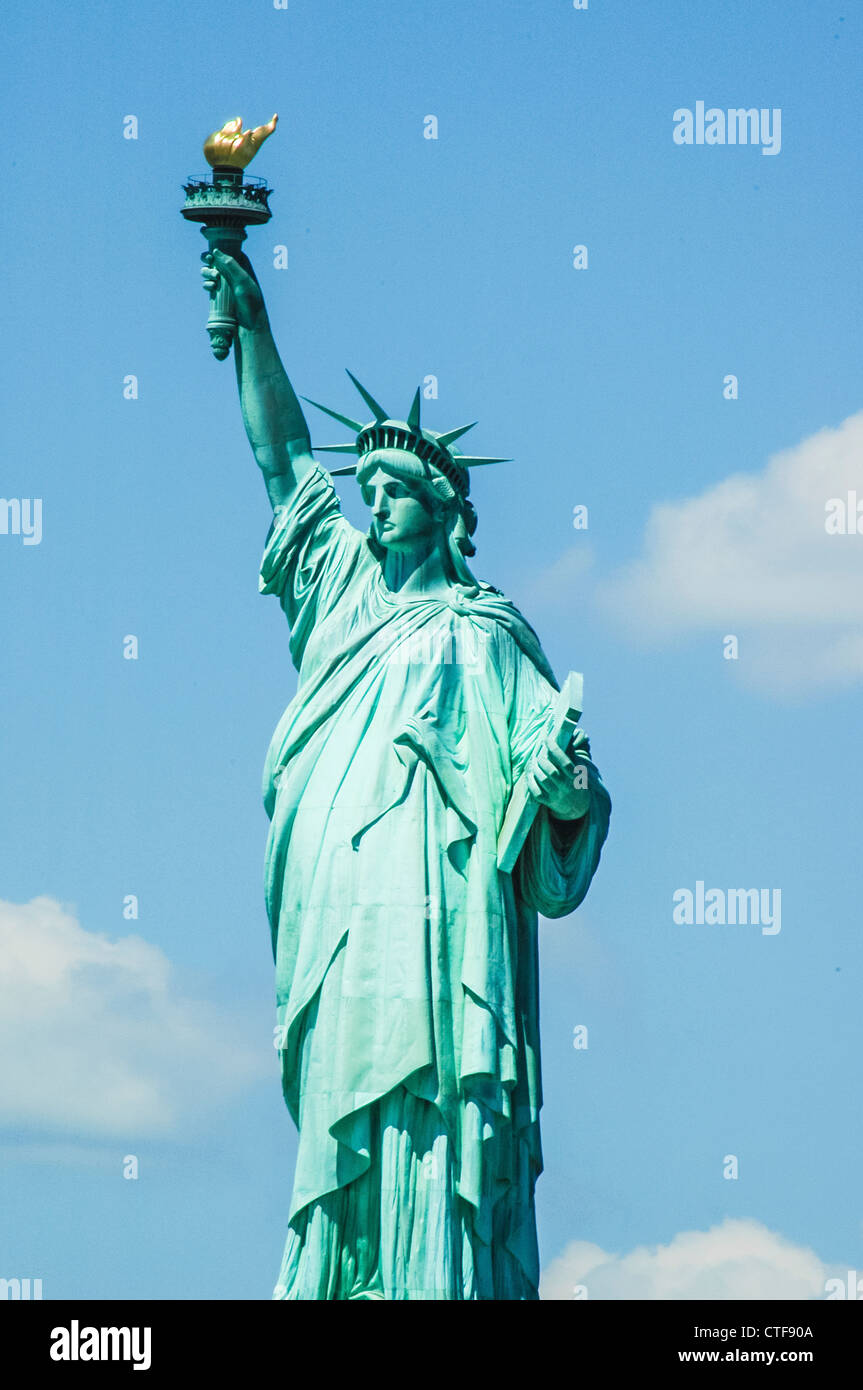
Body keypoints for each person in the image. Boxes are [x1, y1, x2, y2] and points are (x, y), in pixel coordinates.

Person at [202, 249, 611, 1300]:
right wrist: (250, 323)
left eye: (393, 492)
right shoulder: (341, 601)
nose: (372, 507)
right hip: (343, 918)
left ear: (442, 508)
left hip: (444, 928)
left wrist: (564, 792)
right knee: (347, 1103)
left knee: (436, 1113)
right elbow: (284, 462)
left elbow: (557, 797)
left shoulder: (484, 636)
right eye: (368, 492)